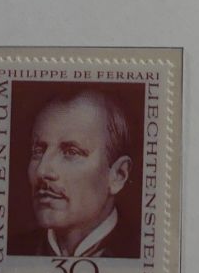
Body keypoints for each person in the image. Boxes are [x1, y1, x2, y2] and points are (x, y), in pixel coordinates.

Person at [9, 88, 137, 258]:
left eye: (71, 152)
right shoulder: (12, 251)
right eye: (38, 151)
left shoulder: (142, 252)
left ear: (118, 175)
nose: (42, 170)